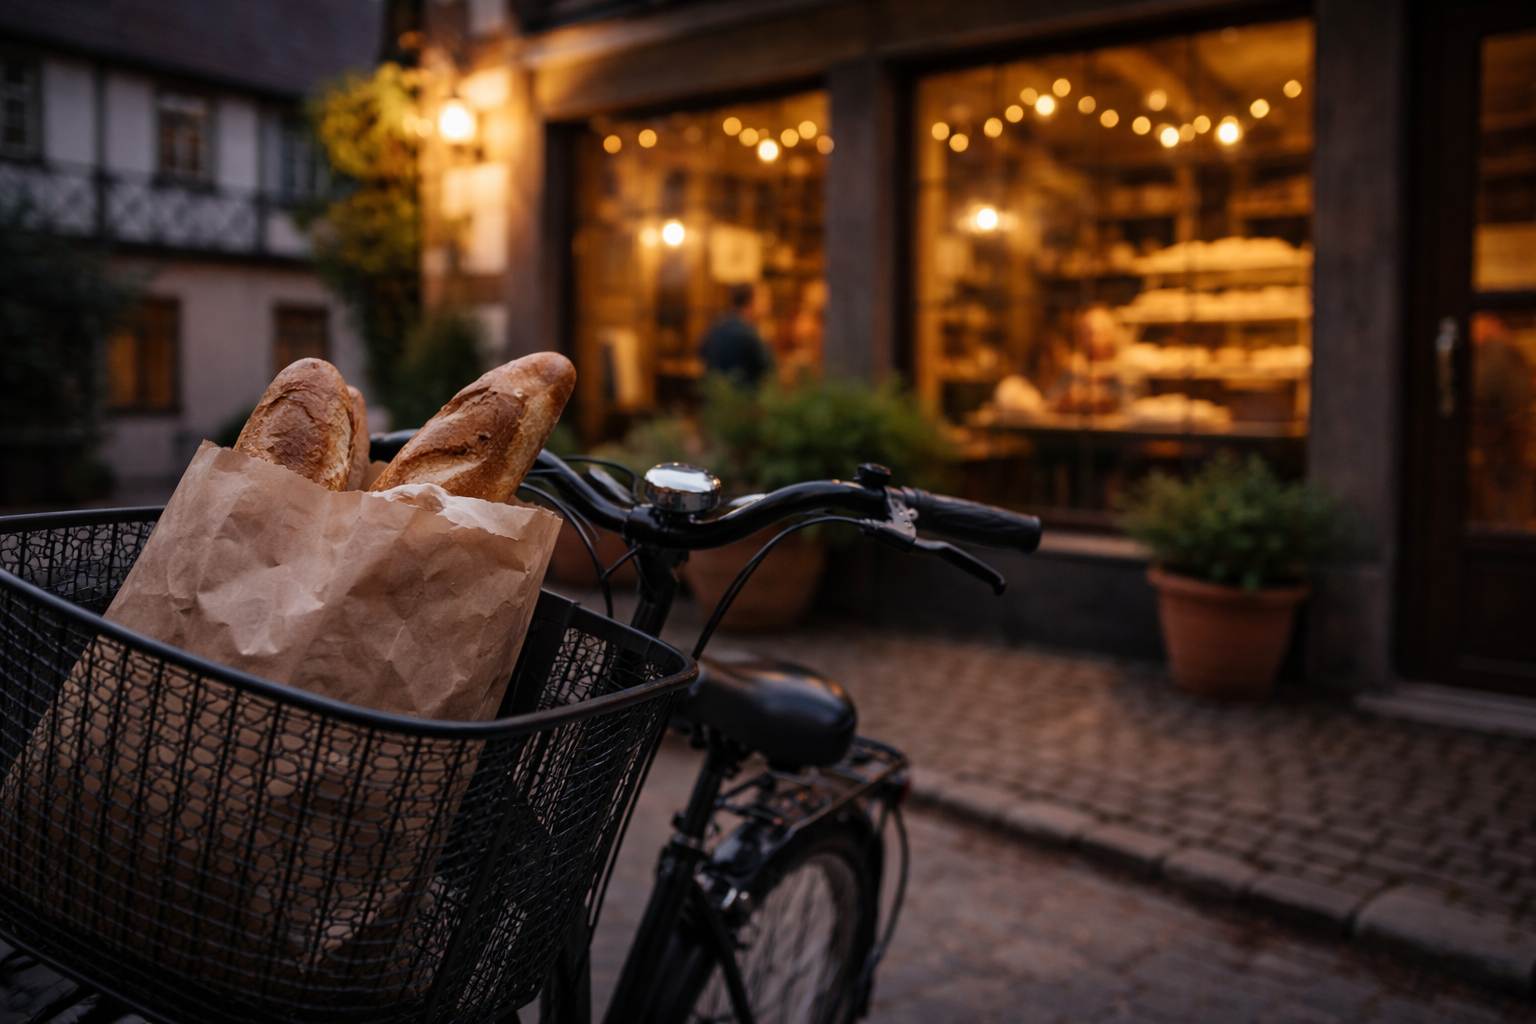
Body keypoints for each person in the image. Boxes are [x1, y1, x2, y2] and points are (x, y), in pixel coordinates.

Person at [699, 283, 774, 387]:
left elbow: (700, 351)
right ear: (751, 302)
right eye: (765, 298)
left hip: (716, 394)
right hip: (743, 397)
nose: (769, 304)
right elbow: (768, 368)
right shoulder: (750, 332)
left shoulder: (719, 324)